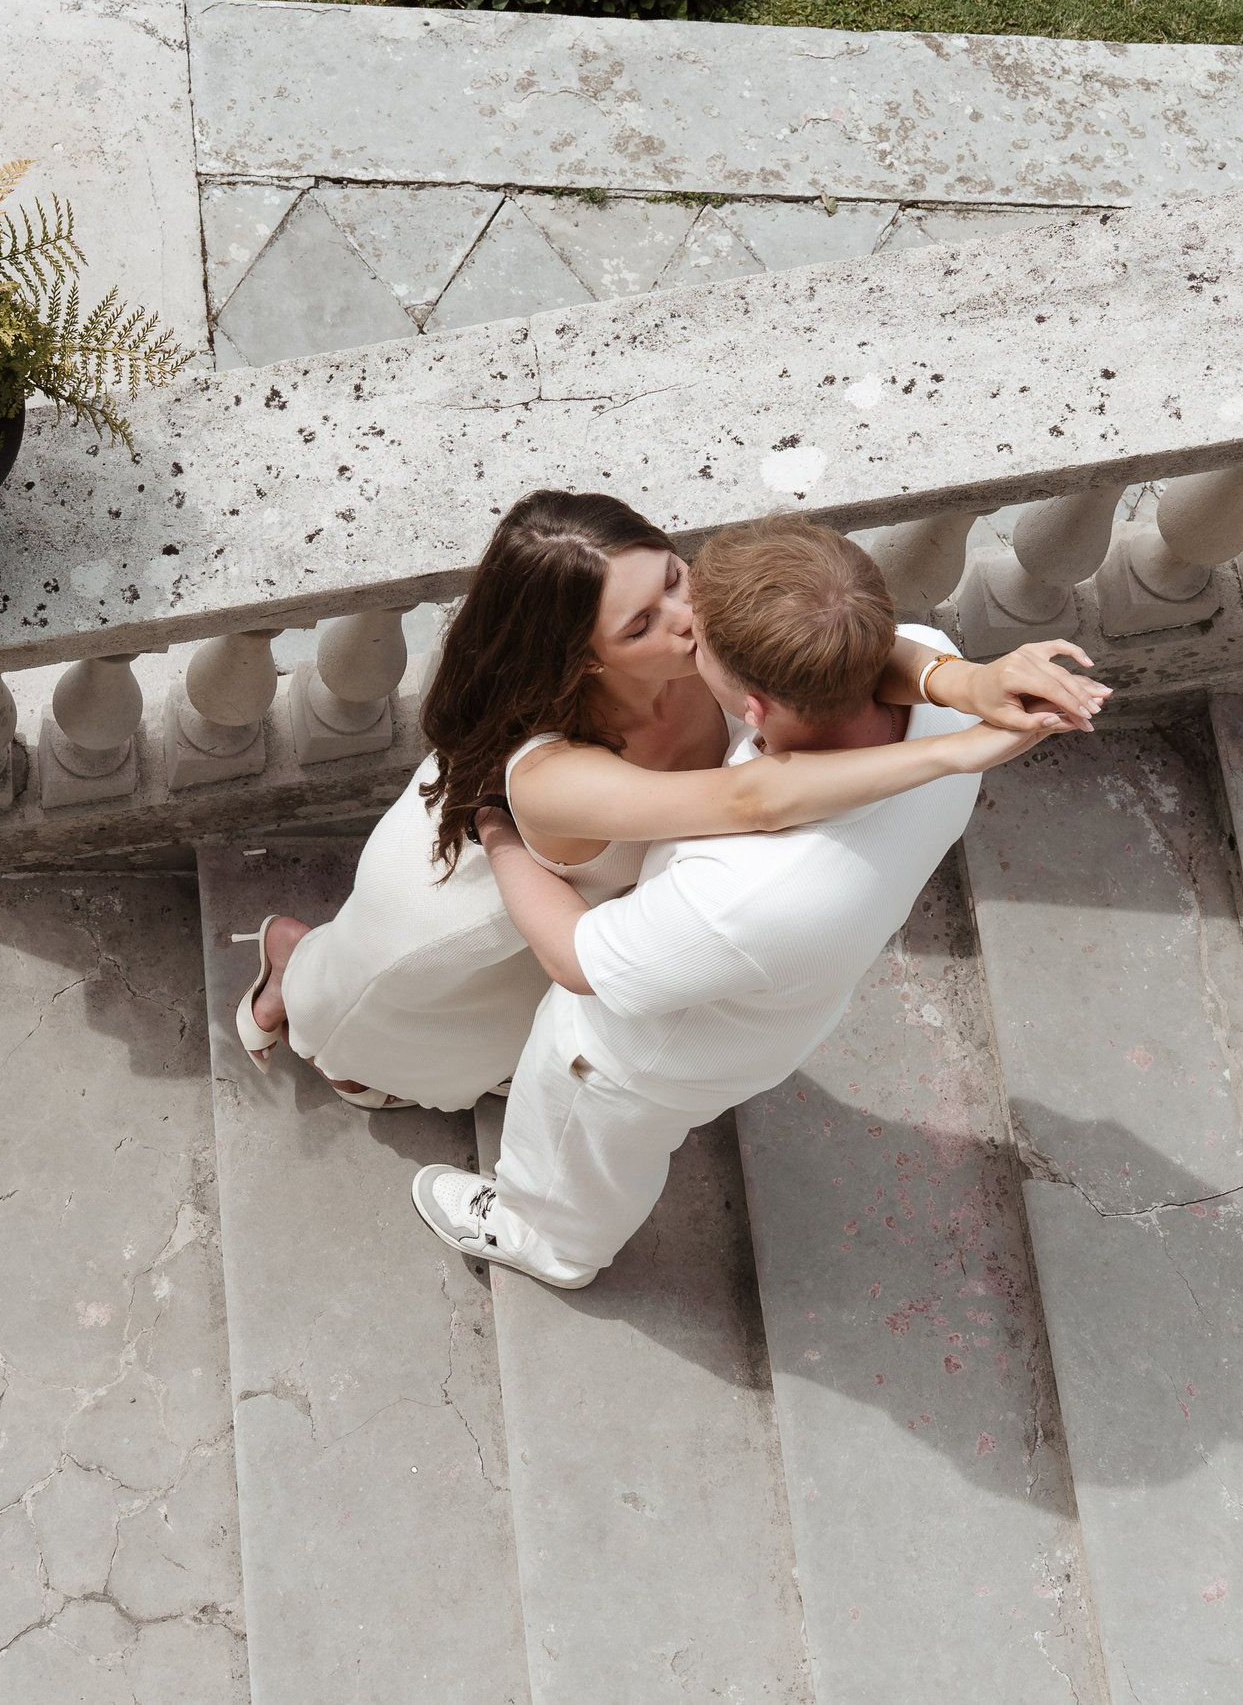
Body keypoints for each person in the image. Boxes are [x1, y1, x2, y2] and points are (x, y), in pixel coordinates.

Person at [231, 490, 1106, 1113]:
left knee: (509, 1034)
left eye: (675, 581)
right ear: (582, 660)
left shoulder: (703, 647)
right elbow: (757, 797)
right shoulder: (547, 772)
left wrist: (964, 678)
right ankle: (289, 974)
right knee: (365, 1013)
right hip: (469, 900)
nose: (689, 621)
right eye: (640, 624)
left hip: (574, 914)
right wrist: (958, 747)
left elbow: (827, 647)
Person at [413, 513, 1058, 1287]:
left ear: (752, 707)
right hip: (779, 1007)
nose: (687, 630)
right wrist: (960, 683)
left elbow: (576, 959)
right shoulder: (948, 696)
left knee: (581, 1147)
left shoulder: (744, 895)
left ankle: (543, 1238)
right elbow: (881, 678)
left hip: (635, 1055)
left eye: (695, 617)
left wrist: (495, 825)